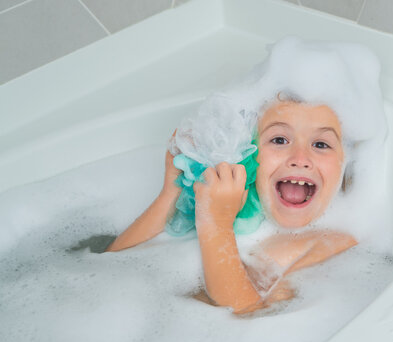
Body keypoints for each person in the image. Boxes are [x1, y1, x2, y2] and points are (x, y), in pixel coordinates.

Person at [106, 99, 358, 313]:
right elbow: (110, 263)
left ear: (345, 164)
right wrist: (170, 194)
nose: (299, 159)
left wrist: (216, 225)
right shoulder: (228, 209)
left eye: (321, 144)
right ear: (248, 156)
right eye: (280, 140)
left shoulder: (333, 242)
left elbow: (250, 315)